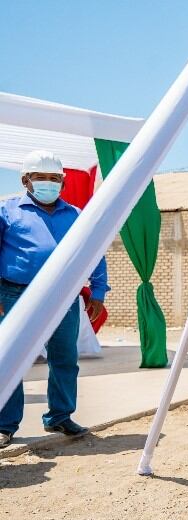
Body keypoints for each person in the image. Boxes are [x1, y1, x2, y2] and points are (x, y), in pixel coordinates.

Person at [0, 150, 108, 449]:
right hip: (15, 294)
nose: (49, 183)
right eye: (41, 178)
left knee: (64, 359)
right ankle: (5, 425)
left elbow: (94, 252)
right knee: (11, 360)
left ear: (62, 181)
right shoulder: (7, 211)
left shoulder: (75, 214)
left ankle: (59, 416)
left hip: (62, 296)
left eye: (54, 178)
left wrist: (97, 291)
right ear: (26, 180)